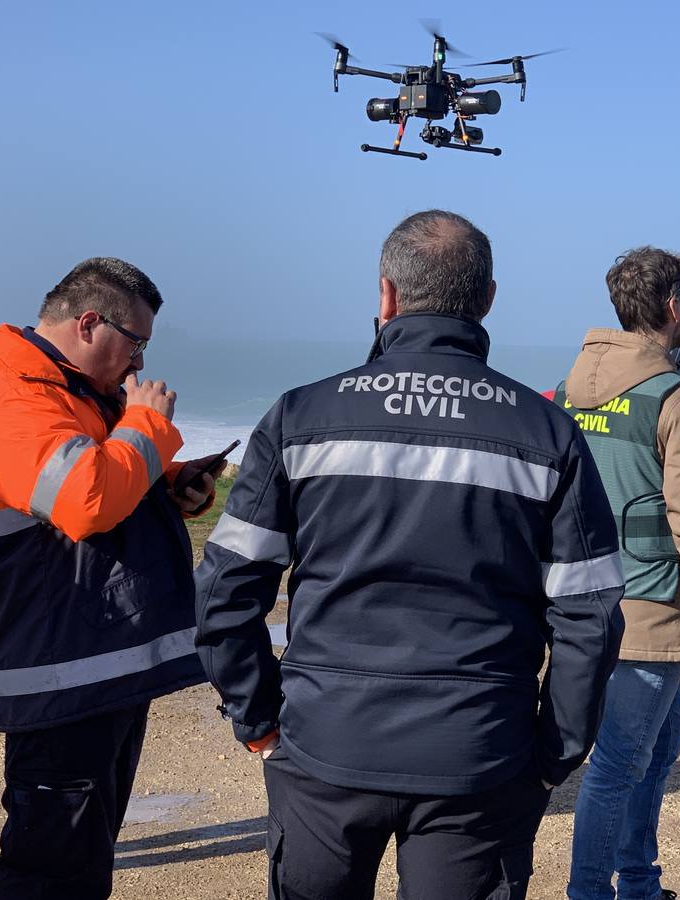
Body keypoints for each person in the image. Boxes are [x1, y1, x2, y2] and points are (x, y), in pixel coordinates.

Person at [195, 210, 626, 900]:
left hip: (325, 745)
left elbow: (224, 591)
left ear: (387, 297)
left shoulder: (300, 417)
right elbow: (592, 616)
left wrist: (259, 723)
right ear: (486, 299)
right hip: (480, 753)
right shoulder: (547, 433)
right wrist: (553, 753)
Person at [0, 257, 220, 898]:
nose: (138, 363)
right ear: (88, 322)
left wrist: (167, 483)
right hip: (57, 666)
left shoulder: (69, 391)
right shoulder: (15, 392)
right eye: (134, 341)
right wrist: (148, 424)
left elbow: (91, 474)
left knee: (81, 862)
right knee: (53, 871)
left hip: (91, 659)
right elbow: (83, 498)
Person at [559, 248, 680, 900]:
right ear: (672, 307)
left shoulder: (566, 390)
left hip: (586, 602)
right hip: (651, 607)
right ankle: (594, 893)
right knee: (619, 763)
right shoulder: (676, 397)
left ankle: (637, 883)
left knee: (662, 745)